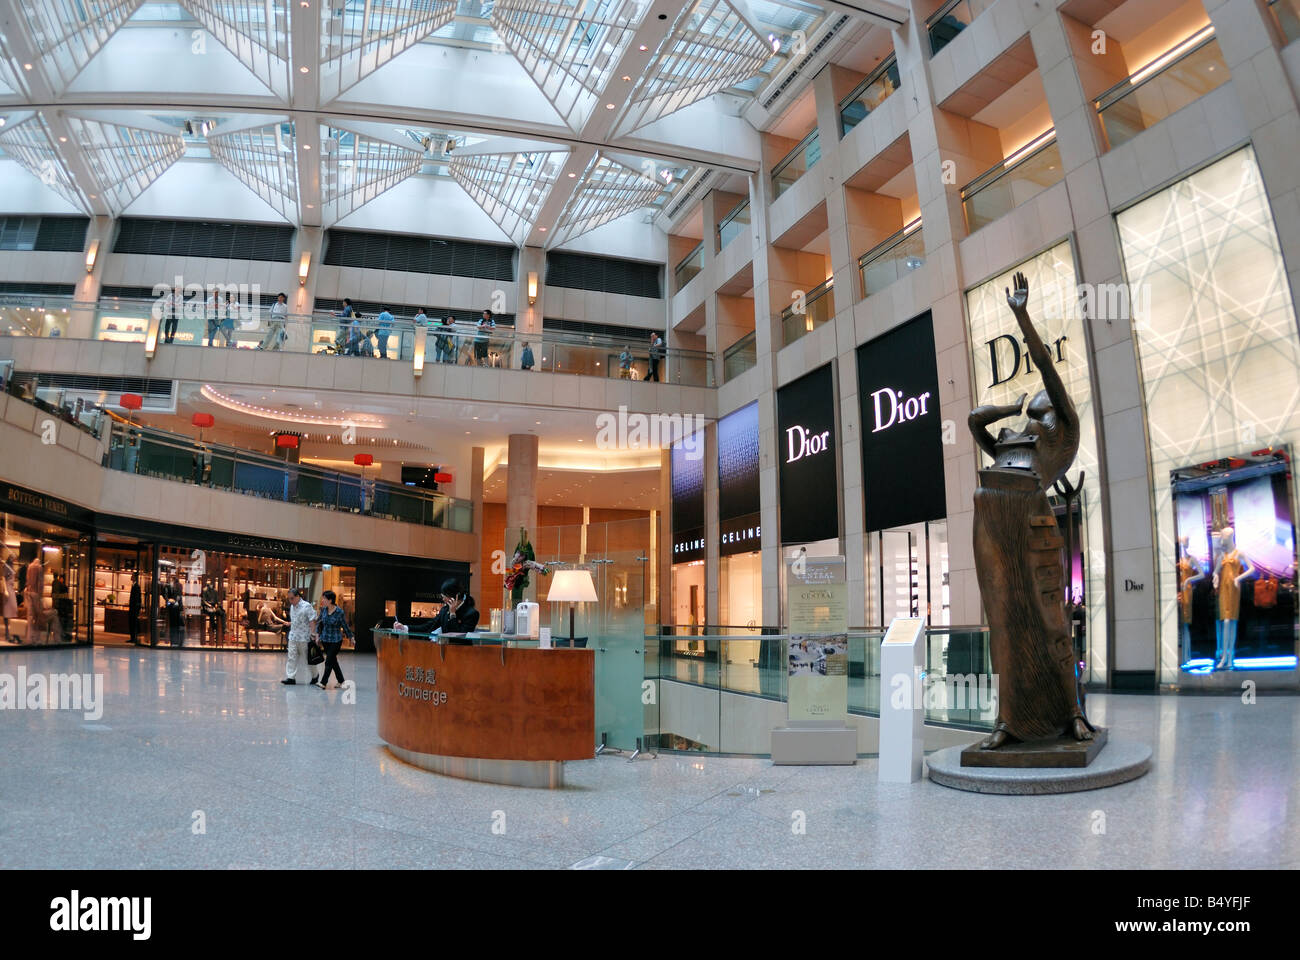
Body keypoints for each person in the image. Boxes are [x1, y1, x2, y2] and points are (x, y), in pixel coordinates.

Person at [313, 590, 353, 688]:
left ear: (330, 600)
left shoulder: (339, 612)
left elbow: (345, 626)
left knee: (328, 661)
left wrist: (351, 637)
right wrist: (317, 636)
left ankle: (323, 682)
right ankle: (341, 681)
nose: (322, 600)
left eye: (324, 598)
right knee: (333, 661)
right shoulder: (324, 610)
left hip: (336, 640)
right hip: (325, 639)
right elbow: (319, 623)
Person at [280, 587, 319, 685]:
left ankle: (315, 675)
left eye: (292, 598)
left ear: (298, 596)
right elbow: (296, 619)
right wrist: (290, 623)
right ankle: (290, 677)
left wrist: (313, 633)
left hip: (304, 638)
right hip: (293, 636)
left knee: (307, 659)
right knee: (291, 657)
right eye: (289, 598)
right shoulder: (293, 607)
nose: (290, 601)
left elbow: (312, 620)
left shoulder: (307, 606)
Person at [2, 552, 17, 644]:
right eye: (14, 558)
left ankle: (10, 633)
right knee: (7, 610)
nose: (14, 560)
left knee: (13, 609)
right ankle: (7, 633)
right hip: (7, 588)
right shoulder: (6, 565)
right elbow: (3, 578)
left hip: (11, 587)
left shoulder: (11, 565)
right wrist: (5, 590)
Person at [127, 572, 142, 646]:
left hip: (134, 608)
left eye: (132, 575)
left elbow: (137, 598)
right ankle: (132, 637)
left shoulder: (137, 586)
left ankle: (134, 638)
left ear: (135, 577)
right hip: (132, 607)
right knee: (131, 622)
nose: (131, 577)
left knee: (133, 622)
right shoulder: (134, 585)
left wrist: (136, 607)